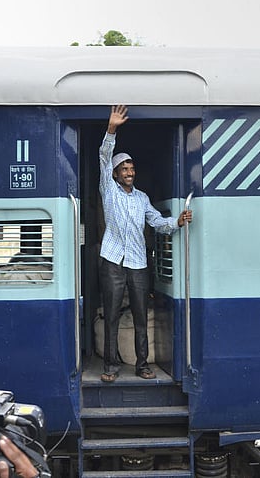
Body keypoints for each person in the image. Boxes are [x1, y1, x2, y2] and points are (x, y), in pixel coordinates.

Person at [99, 104, 193, 382]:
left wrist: (176, 222)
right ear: (115, 174)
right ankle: (110, 366)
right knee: (113, 315)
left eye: (131, 168)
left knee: (140, 315)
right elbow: (104, 157)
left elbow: (155, 221)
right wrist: (111, 129)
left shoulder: (141, 198)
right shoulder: (108, 188)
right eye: (123, 169)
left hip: (139, 261)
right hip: (112, 259)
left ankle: (142, 365)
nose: (129, 172)